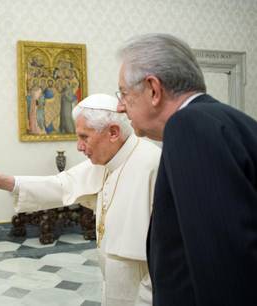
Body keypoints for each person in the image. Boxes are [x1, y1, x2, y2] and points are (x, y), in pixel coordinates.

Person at [0, 94, 161, 306]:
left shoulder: (153, 165)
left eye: (84, 137)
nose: (79, 147)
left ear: (113, 132)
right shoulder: (107, 161)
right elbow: (60, 185)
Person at [116, 33, 257, 306]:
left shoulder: (188, 126)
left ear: (153, 90)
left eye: (123, 93)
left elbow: (222, 260)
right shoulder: (226, 119)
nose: (121, 106)